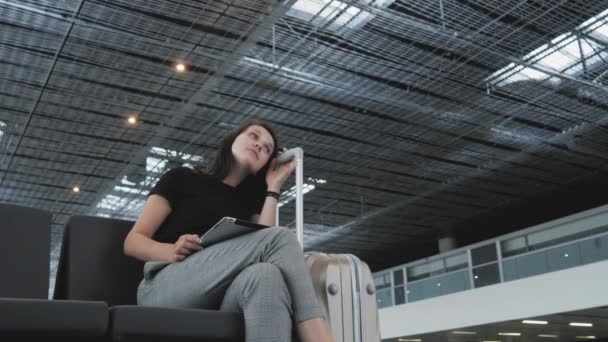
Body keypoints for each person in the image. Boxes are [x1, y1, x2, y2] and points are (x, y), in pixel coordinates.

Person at [123, 119, 335, 342]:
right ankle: (317, 334)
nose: (259, 146)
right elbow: (133, 242)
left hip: (221, 294)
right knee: (280, 237)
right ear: (233, 138)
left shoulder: (247, 204)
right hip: (165, 285)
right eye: (254, 136)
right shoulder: (182, 178)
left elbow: (268, 244)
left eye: (266, 149)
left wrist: (273, 186)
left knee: (265, 275)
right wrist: (172, 250)